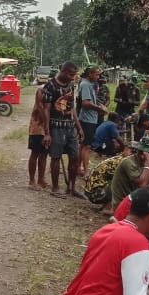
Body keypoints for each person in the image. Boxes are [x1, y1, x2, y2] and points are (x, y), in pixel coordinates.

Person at [41, 62, 83, 198]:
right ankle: (55, 187)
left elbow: (72, 108)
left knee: (75, 157)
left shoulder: (71, 85)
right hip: (56, 126)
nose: (72, 77)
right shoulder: (50, 85)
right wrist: (47, 133)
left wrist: (79, 127)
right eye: (71, 74)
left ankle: (71, 187)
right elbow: (46, 110)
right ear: (64, 71)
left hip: (70, 127)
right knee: (56, 157)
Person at [110, 136, 149, 208]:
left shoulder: (141, 163)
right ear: (144, 155)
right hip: (123, 205)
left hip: (134, 201)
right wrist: (148, 164)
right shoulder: (129, 162)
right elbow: (142, 185)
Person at [79, 66, 108, 180]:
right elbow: (85, 102)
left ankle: (78, 167)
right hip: (87, 119)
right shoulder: (85, 84)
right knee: (87, 146)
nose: (98, 77)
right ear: (90, 74)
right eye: (96, 74)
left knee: (82, 145)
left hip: (89, 118)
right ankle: (86, 171)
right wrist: (98, 109)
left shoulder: (89, 84)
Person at [28, 86, 49, 190]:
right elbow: (40, 106)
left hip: (47, 127)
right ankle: (32, 181)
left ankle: (41, 179)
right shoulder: (42, 89)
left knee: (44, 154)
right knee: (35, 153)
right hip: (37, 126)